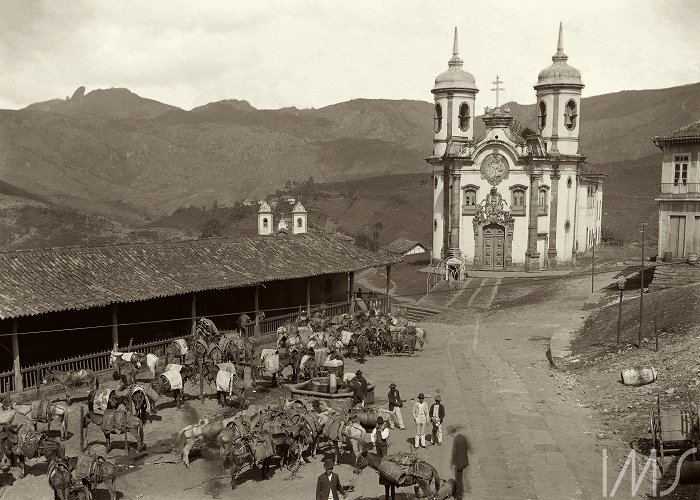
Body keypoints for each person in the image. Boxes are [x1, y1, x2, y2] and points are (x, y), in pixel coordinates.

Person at [449, 425, 470, 500]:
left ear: (452, 433)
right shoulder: (462, 437)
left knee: (458, 481)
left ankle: (459, 497)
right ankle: (465, 490)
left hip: (459, 464)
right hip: (465, 462)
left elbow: (454, 453)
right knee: (462, 478)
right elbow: (468, 448)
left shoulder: (456, 440)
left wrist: (452, 464)